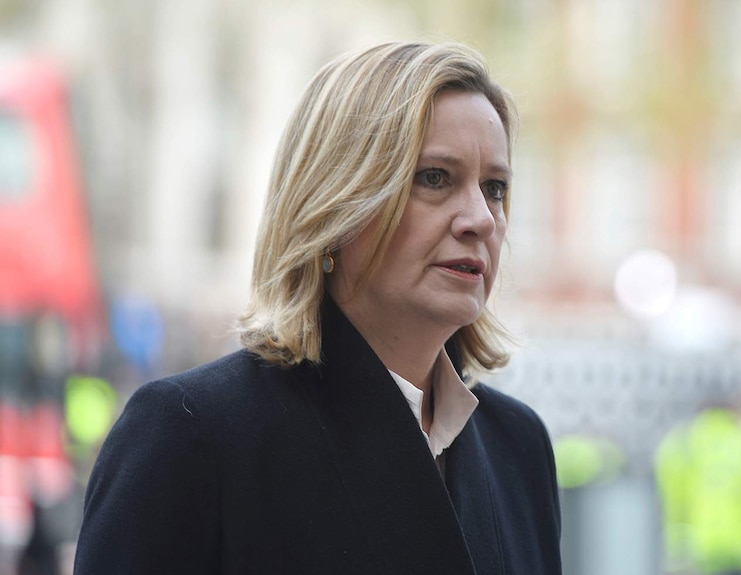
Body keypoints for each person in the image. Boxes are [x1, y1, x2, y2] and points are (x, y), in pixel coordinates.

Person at [73, 41, 562, 575]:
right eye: (435, 178)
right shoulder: (192, 436)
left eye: (494, 188)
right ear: (335, 204)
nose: (481, 219)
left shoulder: (517, 447)